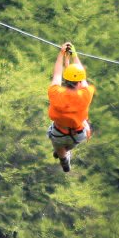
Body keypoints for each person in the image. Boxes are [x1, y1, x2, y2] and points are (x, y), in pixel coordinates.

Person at [47, 41, 95, 172]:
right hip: (78, 135)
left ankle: (63, 155)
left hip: (58, 132)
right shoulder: (85, 95)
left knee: (55, 138)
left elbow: (56, 75)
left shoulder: (56, 93)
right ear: (79, 82)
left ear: (65, 81)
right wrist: (75, 56)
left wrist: (61, 55)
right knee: (84, 124)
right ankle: (65, 151)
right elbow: (83, 79)